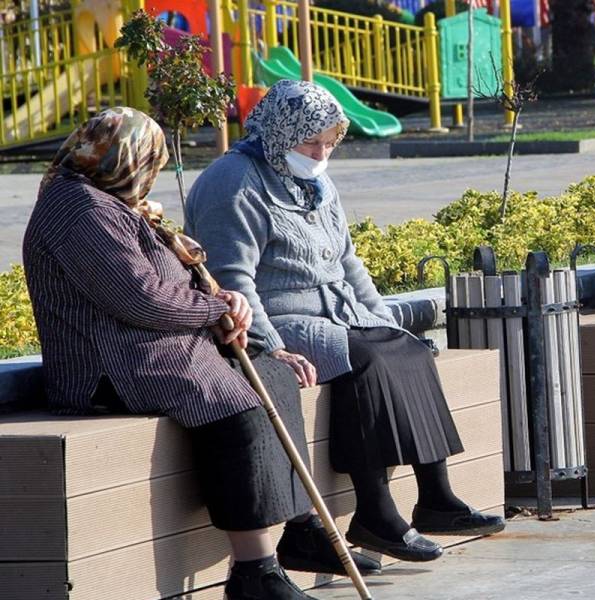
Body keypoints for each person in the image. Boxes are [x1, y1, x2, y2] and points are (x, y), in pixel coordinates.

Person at [22, 107, 382, 600]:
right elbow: (138, 295)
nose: (148, 174)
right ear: (125, 156)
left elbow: (167, 281)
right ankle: (254, 569)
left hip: (153, 346)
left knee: (274, 376)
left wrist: (222, 300)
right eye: (149, 162)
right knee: (236, 406)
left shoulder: (110, 200)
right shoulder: (78, 208)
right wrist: (212, 310)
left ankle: (299, 529)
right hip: (110, 366)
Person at [185, 80, 505, 564]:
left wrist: (385, 321)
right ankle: (376, 513)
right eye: (310, 143)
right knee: (368, 359)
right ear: (279, 132)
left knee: (407, 348)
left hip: (336, 311)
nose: (320, 154)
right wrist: (269, 347)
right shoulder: (233, 183)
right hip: (280, 318)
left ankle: (436, 497)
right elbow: (233, 281)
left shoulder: (316, 179)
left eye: (329, 144)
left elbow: (349, 263)